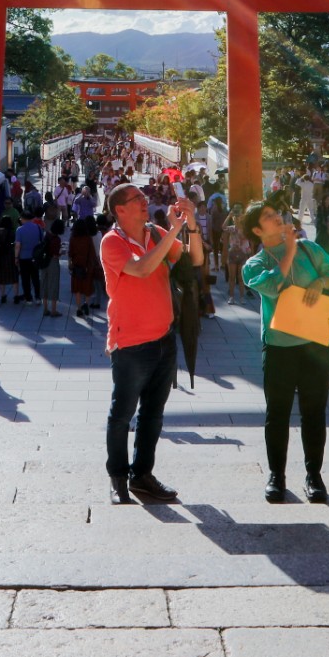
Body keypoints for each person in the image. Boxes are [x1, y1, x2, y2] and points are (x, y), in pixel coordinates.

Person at [100, 184, 202, 505]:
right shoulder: (112, 242)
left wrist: (191, 224)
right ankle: (118, 478)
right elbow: (142, 268)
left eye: (144, 198)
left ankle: (142, 476)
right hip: (130, 343)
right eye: (137, 200)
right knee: (122, 414)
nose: (146, 202)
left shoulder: (156, 232)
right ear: (120, 210)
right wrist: (173, 230)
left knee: (153, 415)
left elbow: (195, 258)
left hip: (164, 337)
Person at [241, 201, 329, 502]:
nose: (278, 218)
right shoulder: (254, 264)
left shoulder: (309, 250)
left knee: (314, 413)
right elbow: (272, 285)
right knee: (278, 414)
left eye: (277, 214)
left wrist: (320, 282)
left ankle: (314, 476)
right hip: (279, 347)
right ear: (258, 230)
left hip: (315, 344)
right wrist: (287, 250)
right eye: (269, 218)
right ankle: (277, 475)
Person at [39, 214, 64, 317]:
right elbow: (55, 254)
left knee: (44, 284)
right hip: (52, 263)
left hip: (43, 262)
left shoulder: (47, 235)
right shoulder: (57, 239)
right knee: (53, 285)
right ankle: (53, 310)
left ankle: (45, 309)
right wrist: (62, 252)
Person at [16, 212, 44, 304]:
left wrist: (16, 257)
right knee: (35, 277)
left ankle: (28, 298)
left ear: (24, 219)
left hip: (23, 257)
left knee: (25, 278)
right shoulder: (38, 227)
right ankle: (38, 297)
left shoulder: (19, 230)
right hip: (35, 257)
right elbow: (42, 241)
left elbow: (18, 245)